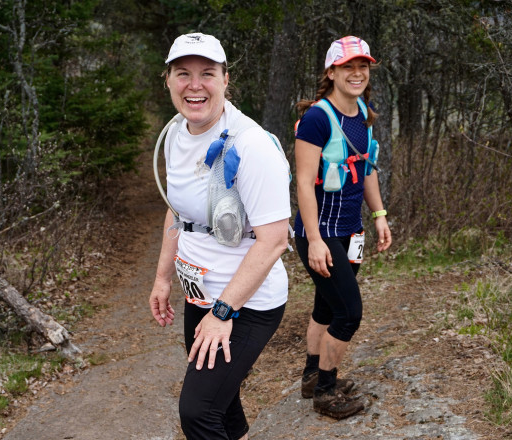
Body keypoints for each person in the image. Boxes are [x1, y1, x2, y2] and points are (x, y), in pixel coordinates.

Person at [148, 33, 291, 440]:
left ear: (226, 80)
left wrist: (223, 313)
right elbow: (177, 210)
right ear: (169, 81)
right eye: (183, 74)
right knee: (222, 403)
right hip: (200, 293)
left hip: (246, 302)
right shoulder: (177, 133)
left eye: (207, 73)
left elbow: (274, 240)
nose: (195, 85)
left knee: (197, 412)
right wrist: (162, 278)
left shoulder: (251, 145)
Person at [293, 36, 392, 420]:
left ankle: (311, 377)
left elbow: (365, 168)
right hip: (321, 234)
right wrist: (314, 240)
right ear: (331, 72)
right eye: (348, 66)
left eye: (363, 66)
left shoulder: (361, 112)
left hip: (351, 232)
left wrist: (379, 215)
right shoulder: (317, 118)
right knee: (348, 313)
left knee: (326, 306)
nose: (357, 73)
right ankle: (326, 392)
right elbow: (303, 183)